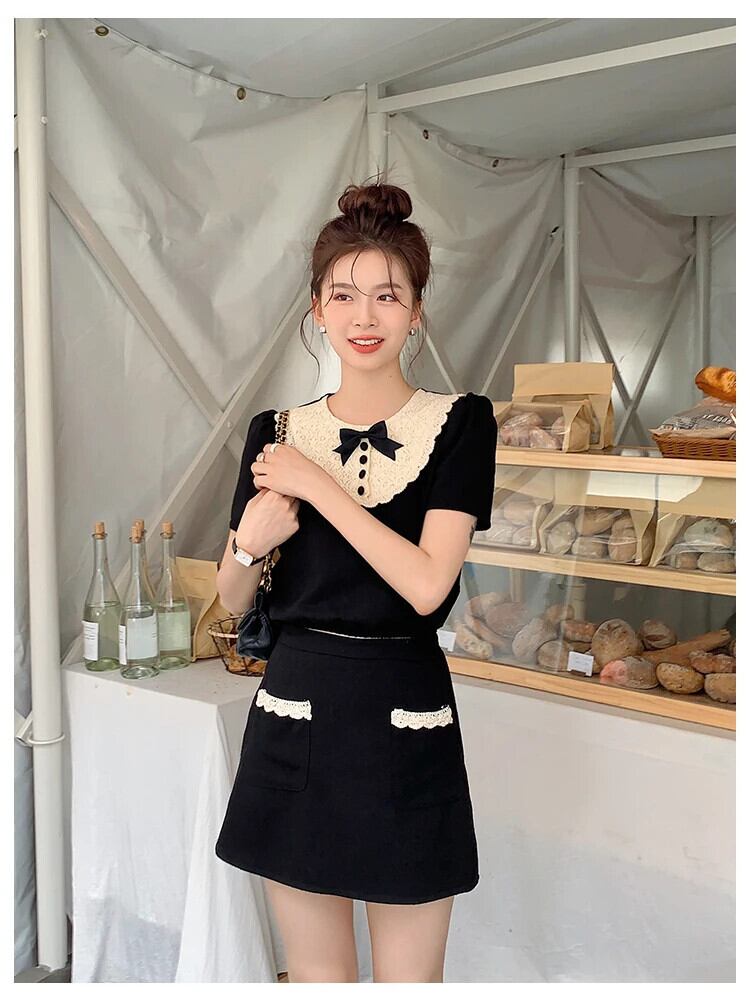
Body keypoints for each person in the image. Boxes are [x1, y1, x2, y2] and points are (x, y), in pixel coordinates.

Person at [214, 176, 498, 983]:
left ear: (417, 312)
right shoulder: (274, 432)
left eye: (386, 296)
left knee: (410, 985)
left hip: (404, 709)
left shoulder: (461, 423)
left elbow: (426, 587)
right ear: (317, 309)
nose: (363, 317)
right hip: (296, 710)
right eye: (343, 295)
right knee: (318, 981)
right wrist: (247, 548)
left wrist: (318, 486)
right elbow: (233, 600)